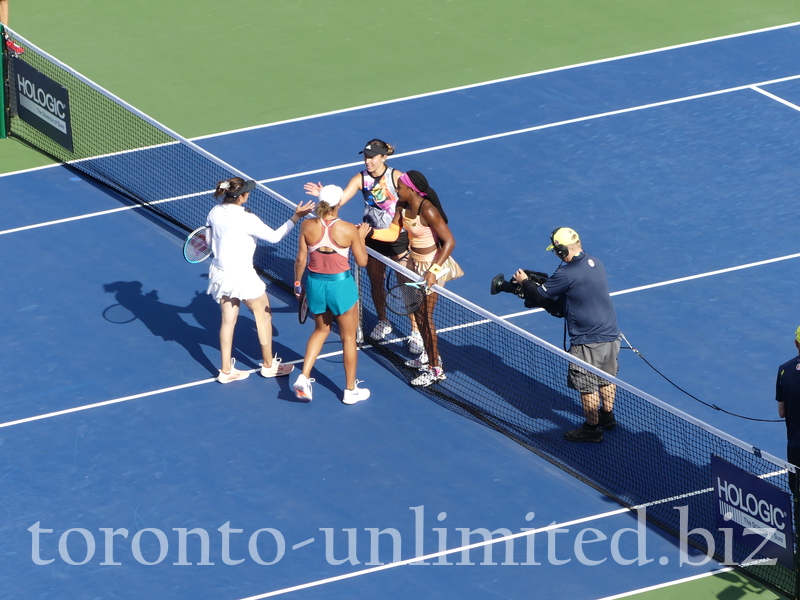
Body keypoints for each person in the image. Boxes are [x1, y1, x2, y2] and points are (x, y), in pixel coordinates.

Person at [304, 139, 423, 354]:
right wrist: (325, 197)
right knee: (375, 283)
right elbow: (339, 202)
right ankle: (383, 321)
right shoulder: (361, 179)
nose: (368, 161)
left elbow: (416, 199)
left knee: (406, 287)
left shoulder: (396, 177)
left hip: (396, 239)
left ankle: (415, 332)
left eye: (372, 157)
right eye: (366, 157)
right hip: (370, 237)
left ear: (384, 157)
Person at [515, 227, 620, 442]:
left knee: (587, 386)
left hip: (587, 341)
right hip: (610, 334)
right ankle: (607, 417)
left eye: (555, 250)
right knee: (607, 377)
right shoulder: (596, 262)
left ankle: (592, 429)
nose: (555, 255)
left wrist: (524, 281)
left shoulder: (566, 273)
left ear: (562, 251)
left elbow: (538, 295)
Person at [206, 177, 315, 383]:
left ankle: (226, 371)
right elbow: (274, 237)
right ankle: (268, 366)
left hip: (220, 273)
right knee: (263, 316)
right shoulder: (248, 219)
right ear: (240, 197)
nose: (249, 194)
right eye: (247, 192)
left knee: (228, 322)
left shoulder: (214, 212)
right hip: (243, 276)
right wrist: (296, 217)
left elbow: (209, 241)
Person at [364, 170, 459, 387]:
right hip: (414, 265)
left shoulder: (428, 210)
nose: (396, 190)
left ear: (411, 190)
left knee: (425, 317)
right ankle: (428, 356)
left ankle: (436, 368)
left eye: (399, 187)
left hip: (433, 267)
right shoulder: (401, 206)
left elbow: (450, 241)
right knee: (418, 313)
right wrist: (368, 233)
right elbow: (391, 234)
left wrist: (433, 271)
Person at [292, 185, 371, 404]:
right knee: (348, 338)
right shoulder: (348, 229)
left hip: (315, 285)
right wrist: (361, 237)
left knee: (320, 330)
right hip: (341, 288)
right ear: (339, 203)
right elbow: (362, 262)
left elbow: (300, 261)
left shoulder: (307, 225)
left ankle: (304, 376)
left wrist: (298, 285)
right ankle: (350, 390)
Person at [776, 326, 800, 495]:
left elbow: (782, 412)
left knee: (797, 491)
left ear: (796, 343)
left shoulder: (784, 370)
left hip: (796, 446)